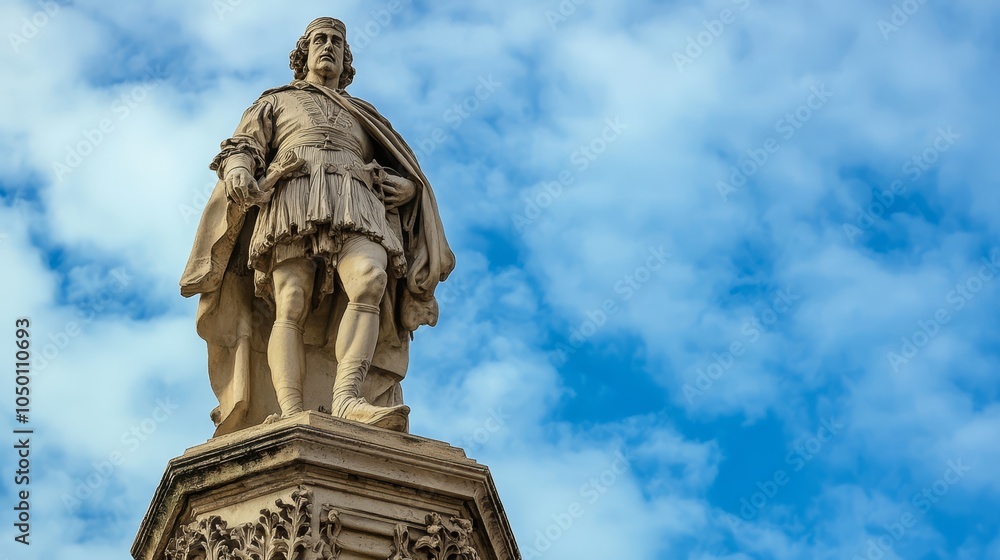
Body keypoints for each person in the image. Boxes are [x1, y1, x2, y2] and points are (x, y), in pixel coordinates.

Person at [180, 17, 454, 436]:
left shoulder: (364, 115)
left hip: (357, 196)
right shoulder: (274, 100)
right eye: (319, 40)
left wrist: (407, 188)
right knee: (290, 299)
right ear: (303, 53)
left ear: (346, 58)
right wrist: (238, 169)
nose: (328, 46)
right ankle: (289, 409)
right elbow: (244, 145)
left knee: (370, 280)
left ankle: (347, 397)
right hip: (294, 193)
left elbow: (403, 169)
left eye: (336, 42)